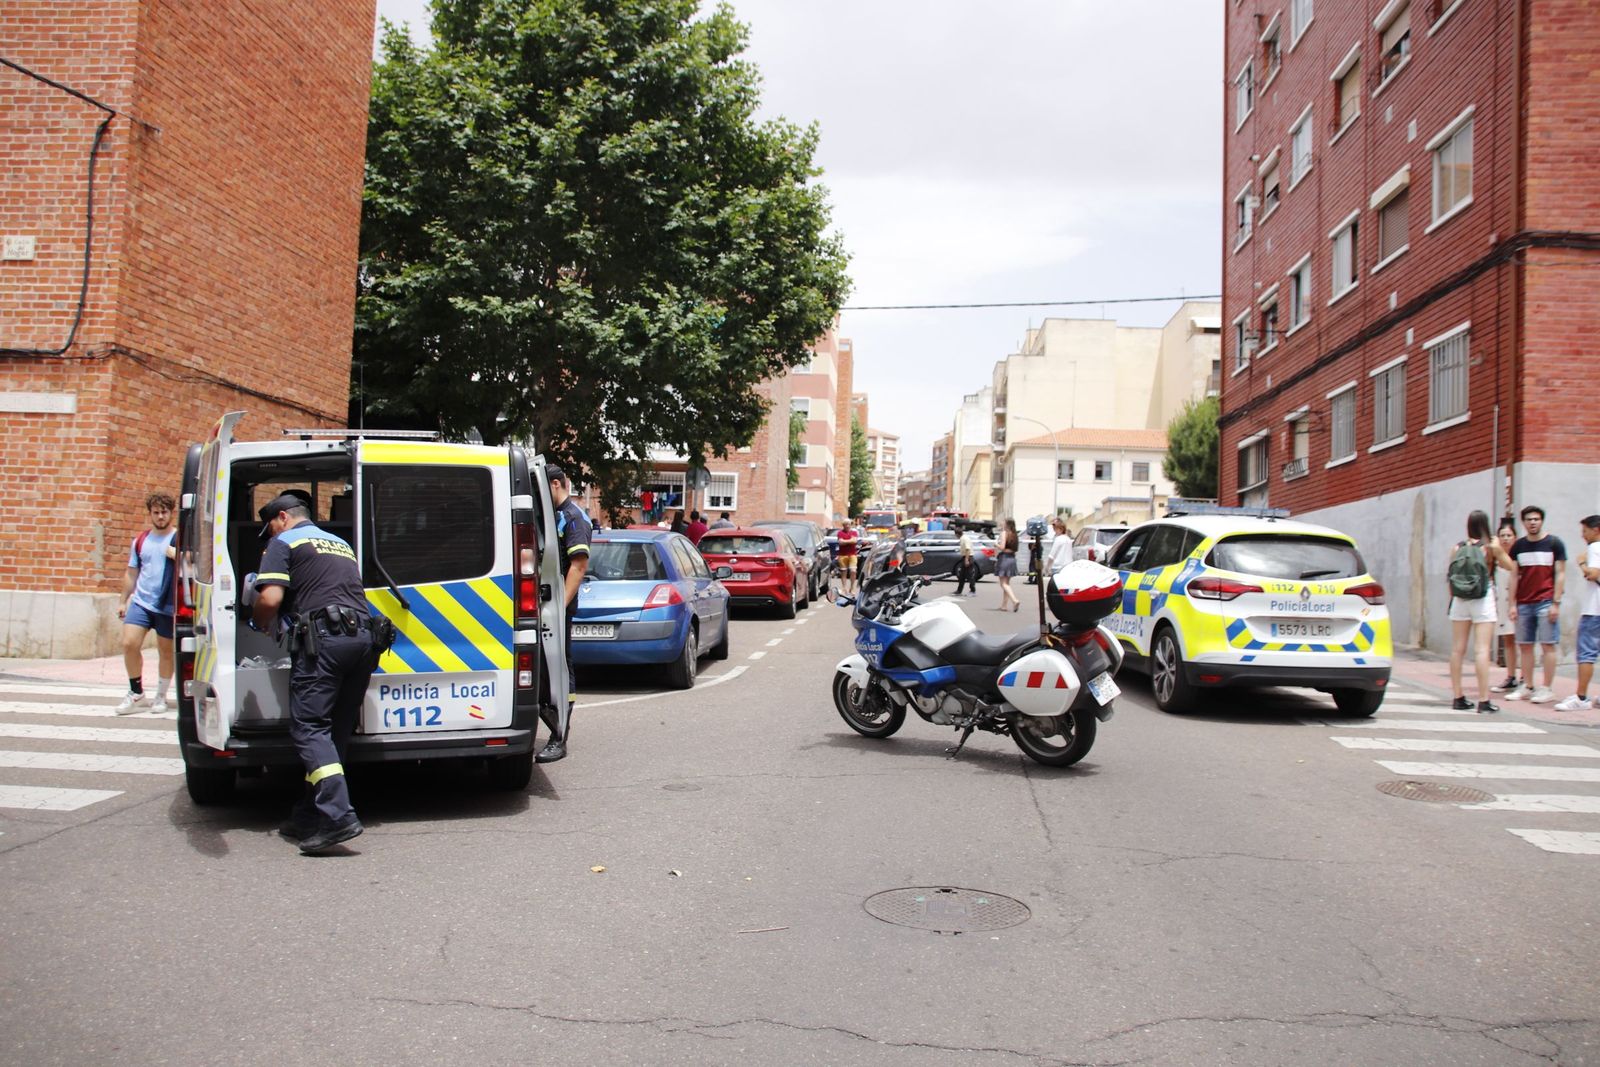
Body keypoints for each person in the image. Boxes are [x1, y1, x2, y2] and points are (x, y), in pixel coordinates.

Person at [252, 491, 376, 854]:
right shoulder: (339, 543)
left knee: (309, 728)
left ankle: (338, 816)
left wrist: (259, 621)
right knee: (333, 732)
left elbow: (271, 598)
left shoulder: (284, 542)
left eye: (271, 527)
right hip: (363, 640)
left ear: (282, 518)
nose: (271, 534)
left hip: (325, 641)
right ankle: (310, 813)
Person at [537, 465, 591, 764]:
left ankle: (560, 735)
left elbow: (578, 567)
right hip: (545, 605)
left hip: (557, 608)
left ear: (555, 484)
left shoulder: (573, 518)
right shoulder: (553, 515)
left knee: (560, 668)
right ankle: (549, 718)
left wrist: (558, 609)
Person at [1447, 510, 1516, 714]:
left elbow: (1450, 574)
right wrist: (1498, 550)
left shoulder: (1457, 547)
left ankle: (1458, 697)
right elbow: (1509, 566)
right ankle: (1483, 700)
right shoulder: (1490, 546)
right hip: (1482, 597)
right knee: (1481, 650)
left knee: (1457, 649)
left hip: (1460, 599)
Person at [116, 493, 178, 715]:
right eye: (156, 512)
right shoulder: (141, 540)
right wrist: (123, 600)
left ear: (172, 513)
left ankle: (161, 696)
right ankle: (136, 693)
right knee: (129, 643)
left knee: (165, 651)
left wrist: (179, 556)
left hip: (167, 604)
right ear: (150, 513)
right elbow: (132, 572)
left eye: (164, 512)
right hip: (141, 602)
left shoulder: (179, 539)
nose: (160, 516)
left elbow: (195, 566)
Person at [1508, 505, 1566, 703]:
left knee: (1548, 645)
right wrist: (1512, 604)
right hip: (1524, 602)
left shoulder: (1554, 543)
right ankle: (1528, 685)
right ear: (1523, 522)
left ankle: (1547, 688)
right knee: (1525, 646)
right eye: (1529, 519)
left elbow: (1560, 574)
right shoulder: (1518, 546)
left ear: (1542, 521)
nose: (1533, 523)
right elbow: (1514, 575)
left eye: (1536, 519)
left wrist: (1556, 602)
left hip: (1545, 601)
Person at [1555, 516, 1600, 712]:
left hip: (1594, 609)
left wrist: (1581, 563)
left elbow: (1593, 574)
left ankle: (1581, 697)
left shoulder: (1595, 548)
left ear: (1596, 529)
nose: (1583, 536)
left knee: (1586, 654)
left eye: (1585, 531)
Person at [1490, 517, 1522, 695]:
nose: (1505, 539)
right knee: (1508, 640)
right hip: (1501, 603)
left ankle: (1525, 677)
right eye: (1502, 535)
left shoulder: (1517, 558)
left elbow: (1512, 570)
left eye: (1509, 535)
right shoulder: (1494, 560)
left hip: (1517, 603)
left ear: (1515, 537)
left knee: (1523, 642)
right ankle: (1511, 676)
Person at [995, 518, 1021, 612]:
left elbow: (1002, 547)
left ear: (1007, 524)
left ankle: (1014, 600)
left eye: (1004, 522)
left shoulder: (1004, 533)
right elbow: (1015, 549)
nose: (1002, 523)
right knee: (1007, 583)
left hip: (1004, 558)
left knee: (1003, 583)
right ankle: (1004, 605)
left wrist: (996, 544)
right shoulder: (1014, 535)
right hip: (1012, 558)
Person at [836, 523, 861, 596]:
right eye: (845, 525)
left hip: (852, 555)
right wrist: (850, 540)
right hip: (842, 555)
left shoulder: (854, 532)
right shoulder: (840, 533)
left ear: (850, 525)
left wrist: (845, 541)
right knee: (844, 572)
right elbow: (840, 542)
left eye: (848, 524)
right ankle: (844, 588)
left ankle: (852, 588)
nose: (847, 526)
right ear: (843, 525)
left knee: (853, 571)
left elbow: (854, 541)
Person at [953, 527, 979, 597]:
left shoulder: (965, 539)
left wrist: (966, 560)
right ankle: (959, 590)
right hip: (965, 557)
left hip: (968, 557)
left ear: (957, 534)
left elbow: (968, 549)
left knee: (970, 575)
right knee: (962, 575)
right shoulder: (963, 538)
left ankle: (973, 591)